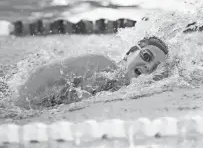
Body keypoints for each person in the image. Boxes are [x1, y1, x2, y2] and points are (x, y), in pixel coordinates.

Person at [17, 36, 169, 109]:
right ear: (130, 52)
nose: (148, 67)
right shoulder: (100, 64)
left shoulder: (123, 92)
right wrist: (20, 105)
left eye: (155, 68)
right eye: (146, 56)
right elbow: (44, 73)